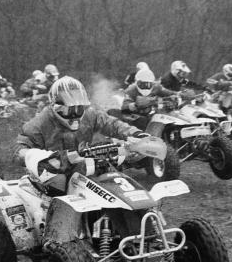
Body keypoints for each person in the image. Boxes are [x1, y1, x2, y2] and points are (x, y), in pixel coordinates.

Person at [14, 76, 146, 193]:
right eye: (68, 110)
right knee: (59, 182)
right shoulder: (40, 123)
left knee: (108, 172)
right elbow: (19, 151)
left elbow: (112, 124)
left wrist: (137, 134)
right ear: (55, 107)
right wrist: (41, 157)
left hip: (82, 165)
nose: (74, 114)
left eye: (79, 108)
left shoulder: (90, 114)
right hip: (52, 172)